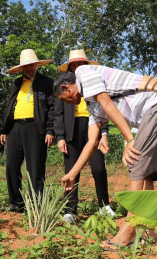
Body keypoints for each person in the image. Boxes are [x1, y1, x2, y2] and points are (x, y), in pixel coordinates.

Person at [53, 64, 157, 248]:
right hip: (153, 111)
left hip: (155, 104)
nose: (68, 103)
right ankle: (149, 229)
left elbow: (107, 101)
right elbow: (91, 142)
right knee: (146, 172)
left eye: (65, 99)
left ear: (66, 87)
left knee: (135, 161)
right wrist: (72, 173)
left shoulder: (83, 73)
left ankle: (129, 229)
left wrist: (129, 139)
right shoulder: (91, 104)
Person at [54, 49, 115, 222]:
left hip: (93, 128)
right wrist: (60, 137)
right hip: (71, 131)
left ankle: (104, 206)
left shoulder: (94, 82)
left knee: (98, 168)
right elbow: (57, 114)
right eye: (74, 65)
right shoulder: (63, 86)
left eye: (80, 64)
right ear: (70, 68)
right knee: (72, 170)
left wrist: (104, 134)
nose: (77, 67)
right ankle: (70, 210)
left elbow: (104, 109)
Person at [0, 49, 55, 213]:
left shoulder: (47, 83)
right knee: (11, 166)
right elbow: (11, 106)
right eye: (25, 66)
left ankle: (36, 204)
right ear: (22, 67)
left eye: (31, 65)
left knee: (35, 167)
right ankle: (16, 203)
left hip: (35, 127)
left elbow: (52, 108)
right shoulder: (17, 83)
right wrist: (5, 129)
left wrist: (50, 130)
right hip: (15, 128)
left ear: (37, 64)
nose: (29, 68)